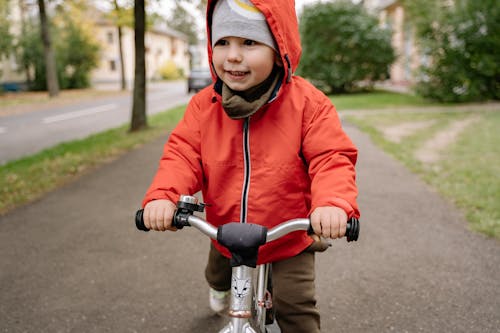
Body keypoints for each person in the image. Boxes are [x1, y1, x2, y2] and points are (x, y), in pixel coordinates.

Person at [141, 0, 359, 332]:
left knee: (295, 306)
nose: (232, 55)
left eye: (249, 42)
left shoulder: (308, 105)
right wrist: (162, 196)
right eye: (223, 42)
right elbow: (183, 154)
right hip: (226, 228)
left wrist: (332, 204)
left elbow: (331, 158)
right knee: (218, 272)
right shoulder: (204, 107)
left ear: (278, 47)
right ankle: (218, 287)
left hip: (289, 233)